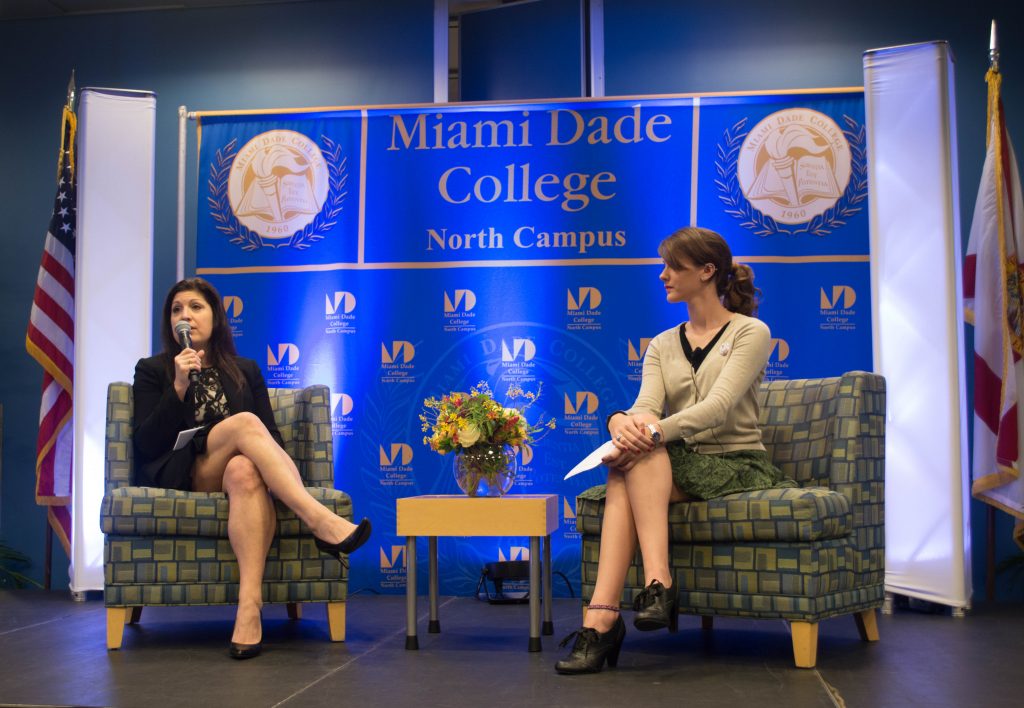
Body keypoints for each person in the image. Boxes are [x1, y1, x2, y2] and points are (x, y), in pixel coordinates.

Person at [555, 226, 794, 675]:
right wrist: (619, 422)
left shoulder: (749, 332)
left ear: (707, 272)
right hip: (675, 458)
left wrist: (647, 435)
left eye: (673, 267)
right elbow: (646, 406)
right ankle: (642, 595)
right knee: (631, 456)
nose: (663, 275)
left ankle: (605, 621)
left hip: (735, 462)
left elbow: (717, 408)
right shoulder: (663, 344)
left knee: (634, 460)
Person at [133, 277, 371, 660]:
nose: (186, 316)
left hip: (232, 472)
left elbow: (270, 437)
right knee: (243, 424)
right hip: (184, 469)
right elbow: (145, 443)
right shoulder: (152, 370)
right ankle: (318, 520)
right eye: (177, 309)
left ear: (214, 318)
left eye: (196, 307)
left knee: (245, 467)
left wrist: (261, 460)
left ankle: (248, 609)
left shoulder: (245, 369)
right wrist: (177, 387)